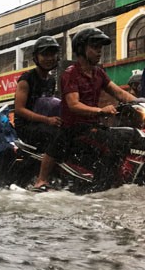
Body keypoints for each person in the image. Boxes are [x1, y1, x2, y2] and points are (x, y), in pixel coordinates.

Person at [32, 27, 137, 191]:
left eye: (100, 48)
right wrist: (101, 111)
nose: (99, 52)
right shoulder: (70, 74)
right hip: (73, 128)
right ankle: (41, 180)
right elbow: (74, 105)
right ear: (81, 49)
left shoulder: (99, 73)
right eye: (94, 47)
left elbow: (119, 92)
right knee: (58, 142)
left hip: (93, 126)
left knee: (126, 136)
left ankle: (114, 179)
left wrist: (141, 103)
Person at [13, 36, 61, 150]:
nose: (49, 58)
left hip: (45, 124)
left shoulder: (51, 80)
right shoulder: (26, 79)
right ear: (36, 57)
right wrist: (47, 120)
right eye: (45, 55)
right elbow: (19, 109)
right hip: (26, 127)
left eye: (52, 54)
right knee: (57, 136)